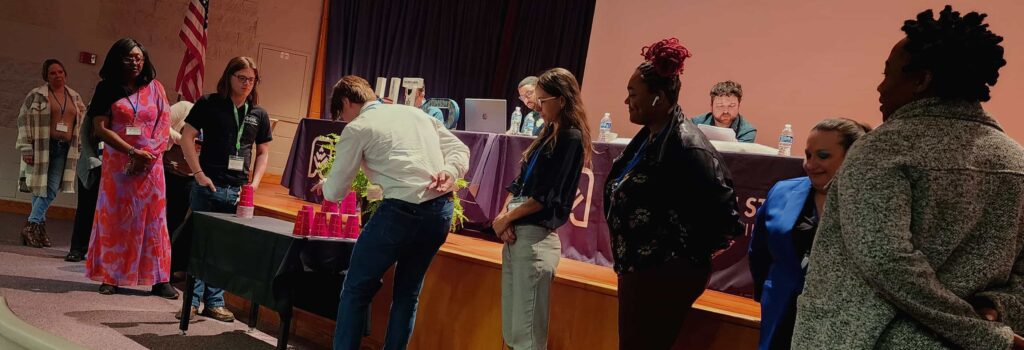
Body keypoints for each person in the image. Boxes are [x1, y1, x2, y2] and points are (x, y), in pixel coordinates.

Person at [792, 6, 1024, 349]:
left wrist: (986, 337)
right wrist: (997, 311)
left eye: (889, 73)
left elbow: (888, 261)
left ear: (921, 80)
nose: (880, 86)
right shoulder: (1016, 160)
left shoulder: (883, 149)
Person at [605, 38, 742, 350]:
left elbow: (726, 221)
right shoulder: (651, 137)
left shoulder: (687, 145)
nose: (627, 102)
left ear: (658, 97)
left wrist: (680, 258)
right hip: (640, 270)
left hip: (662, 275)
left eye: (633, 94)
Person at [318, 75, 469, 350]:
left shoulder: (359, 128)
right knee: (407, 295)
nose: (345, 121)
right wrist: (450, 170)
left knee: (355, 291)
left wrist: (326, 185)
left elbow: (336, 192)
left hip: (400, 212)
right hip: (440, 210)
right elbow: (459, 149)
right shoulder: (415, 113)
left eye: (342, 114)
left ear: (346, 102)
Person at [491, 67, 592, 350]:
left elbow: (545, 195)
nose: (537, 106)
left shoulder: (570, 137)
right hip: (518, 233)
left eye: (543, 100)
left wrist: (507, 217)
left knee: (528, 337)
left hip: (536, 239)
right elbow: (521, 182)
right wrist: (503, 217)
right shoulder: (548, 131)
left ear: (562, 99)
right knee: (512, 331)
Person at [748, 118, 870, 350]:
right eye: (808, 155)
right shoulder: (783, 191)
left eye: (823, 156)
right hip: (781, 312)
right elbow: (759, 252)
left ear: (854, 156)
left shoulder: (871, 202)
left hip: (839, 319)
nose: (810, 164)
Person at [176, 56, 273, 322]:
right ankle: (191, 302)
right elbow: (187, 136)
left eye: (251, 80)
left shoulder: (258, 114)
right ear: (229, 77)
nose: (246, 84)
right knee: (200, 245)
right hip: (208, 185)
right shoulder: (209, 104)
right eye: (241, 78)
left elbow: (263, 152)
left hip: (239, 192)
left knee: (223, 249)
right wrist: (198, 174)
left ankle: (215, 302)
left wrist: (254, 184)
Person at [84, 38, 177, 299]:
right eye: (129, 58)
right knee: (116, 221)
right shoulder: (106, 89)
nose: (135, 62)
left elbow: (163, 122)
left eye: (139, 57)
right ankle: (111, 277)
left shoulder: (155, 88)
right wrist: (132, 152)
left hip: (151, 167)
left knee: (155, 222)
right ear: (117, 60)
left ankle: (159, 279)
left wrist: (148, 155)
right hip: (120, 166)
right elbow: (100, 128)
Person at [16, 59, 85, 248]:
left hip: (64, 149)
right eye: (53, 73)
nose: (57, 75)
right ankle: (34, 226)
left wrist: (80, 145)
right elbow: (23, 121)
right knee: (40, 188)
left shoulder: (74, 97)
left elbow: (81, 123)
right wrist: (26, 147)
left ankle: (34, 225)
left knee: (51, 187)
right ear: (46, 76)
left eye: (60, 72)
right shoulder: (37, 95)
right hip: (42, 147)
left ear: (65, 74)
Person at [165, 100, 194, 277]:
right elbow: (161, 123)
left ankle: (171, 266)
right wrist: (182, 140)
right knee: (166, 220)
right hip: (170, 171)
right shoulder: (185, 107)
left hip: (192, 176)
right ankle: (158, 264)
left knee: (180, 223)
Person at [690, 81, 757, 143]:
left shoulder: (747, 132)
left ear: (738, 106)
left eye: (731, 106)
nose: (725, 111)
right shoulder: (694, 124)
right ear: (711, 106)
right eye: (720, 106)